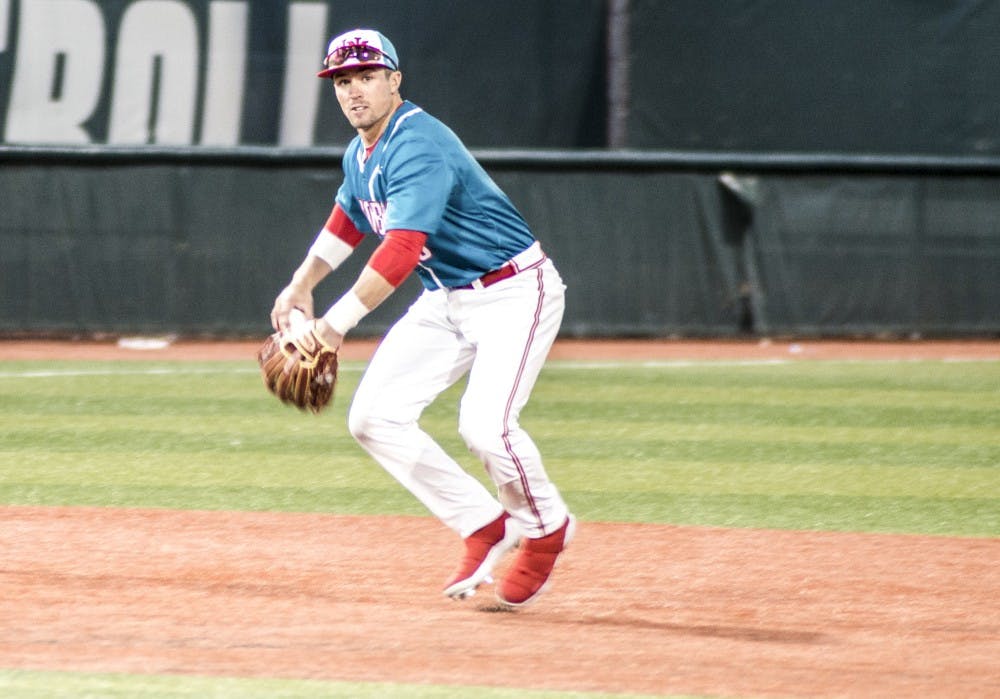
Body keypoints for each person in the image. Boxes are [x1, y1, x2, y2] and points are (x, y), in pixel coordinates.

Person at [269, 28, 574, 606]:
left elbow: (401, 249)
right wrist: (300, 284)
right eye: (342, 81)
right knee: (374, 418)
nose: (354, 90)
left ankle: (544, 528)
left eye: (365, 76)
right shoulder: (361, 152)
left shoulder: (417, 144)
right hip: (447, 297)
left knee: (486, 427)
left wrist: (332, 328)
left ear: (394, 80)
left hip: (513, 291)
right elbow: (349, 219)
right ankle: (486, 525)